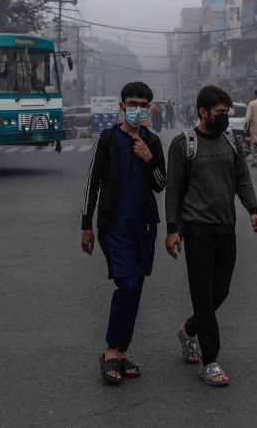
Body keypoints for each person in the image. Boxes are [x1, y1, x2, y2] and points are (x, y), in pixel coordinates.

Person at [165, 85, 257, 387]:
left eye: (226, 112)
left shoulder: (232, 140)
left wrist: (253, 209)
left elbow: (242, 179)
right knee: (203, 295)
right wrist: (172, 230)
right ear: (203, 112)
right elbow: (174, 191)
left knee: (220, 291)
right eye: (220, 112)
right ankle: (210, 361)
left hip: (226, 227)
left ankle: (189, 329)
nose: (224, 117)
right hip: (197, 229)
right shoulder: (183, 144)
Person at [81, 82, 167, 385]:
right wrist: (86, 225)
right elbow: (92, 183)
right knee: (127, 285)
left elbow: (161, 184)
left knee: (136, 288)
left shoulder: (152, 142)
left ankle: (120, 352)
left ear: (149, 108)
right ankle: (110, 350)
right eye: (132, 103)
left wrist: (148, 159)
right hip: (115, 225)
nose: (137, 109)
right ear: (122, 106)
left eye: (143, 104)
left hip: (144, 227)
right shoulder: (107, 140)